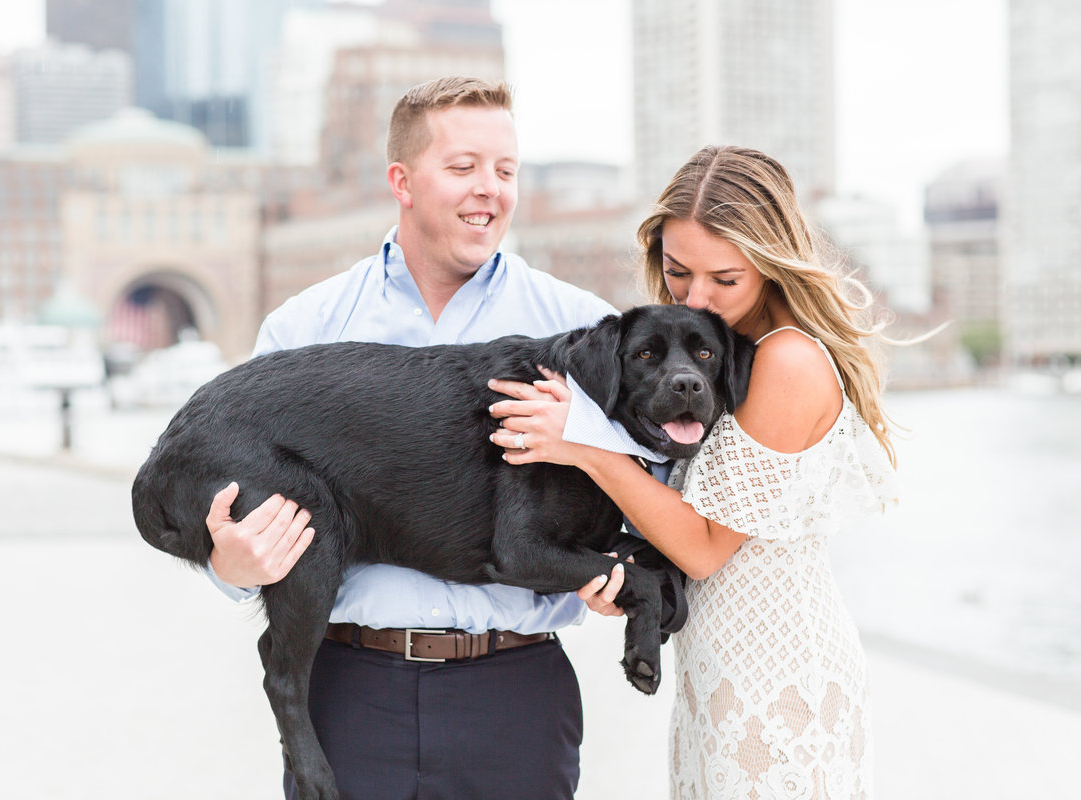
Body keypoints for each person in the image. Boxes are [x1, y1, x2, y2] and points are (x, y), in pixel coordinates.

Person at [200, 76, 618, 800]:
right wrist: (229, 564)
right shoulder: (306, 332)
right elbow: (249, 526)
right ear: (402, 180)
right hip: (349, 697)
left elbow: (649, 500)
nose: (489, 188)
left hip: (516, 699)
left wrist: (618, 568)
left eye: (505, 170)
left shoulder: (584, 331)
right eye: (463, 167)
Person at [488, 145, 900, 799]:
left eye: (724, 280)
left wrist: (586, 447)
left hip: (780, 681)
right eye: (678, 273)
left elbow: (707, 547)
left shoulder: (786, 360)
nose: (697, 296)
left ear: (770, 262)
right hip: (717, 678)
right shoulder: (718, 356)